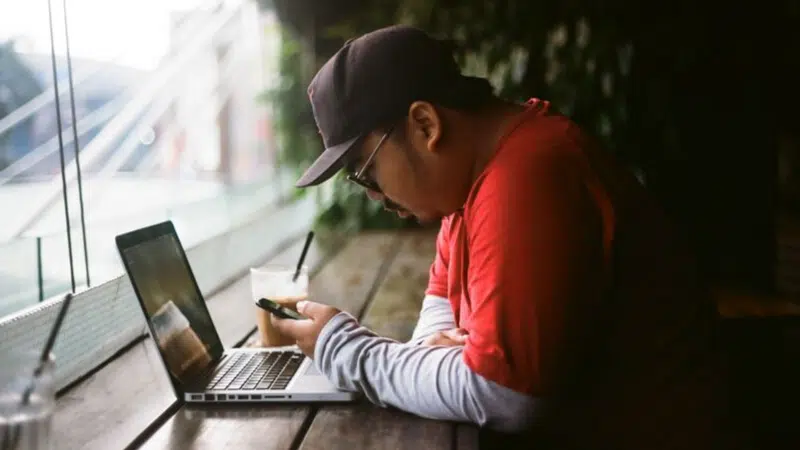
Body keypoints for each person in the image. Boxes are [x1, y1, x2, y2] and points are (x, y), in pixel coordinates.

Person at [271, 25, 741, 449]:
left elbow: (504, 394)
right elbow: (435, 335)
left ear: (425, 125)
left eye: (366, 170)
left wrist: (349, 351)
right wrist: (450, 366)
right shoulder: (463, 194)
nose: (372, 195)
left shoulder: (528, 175)